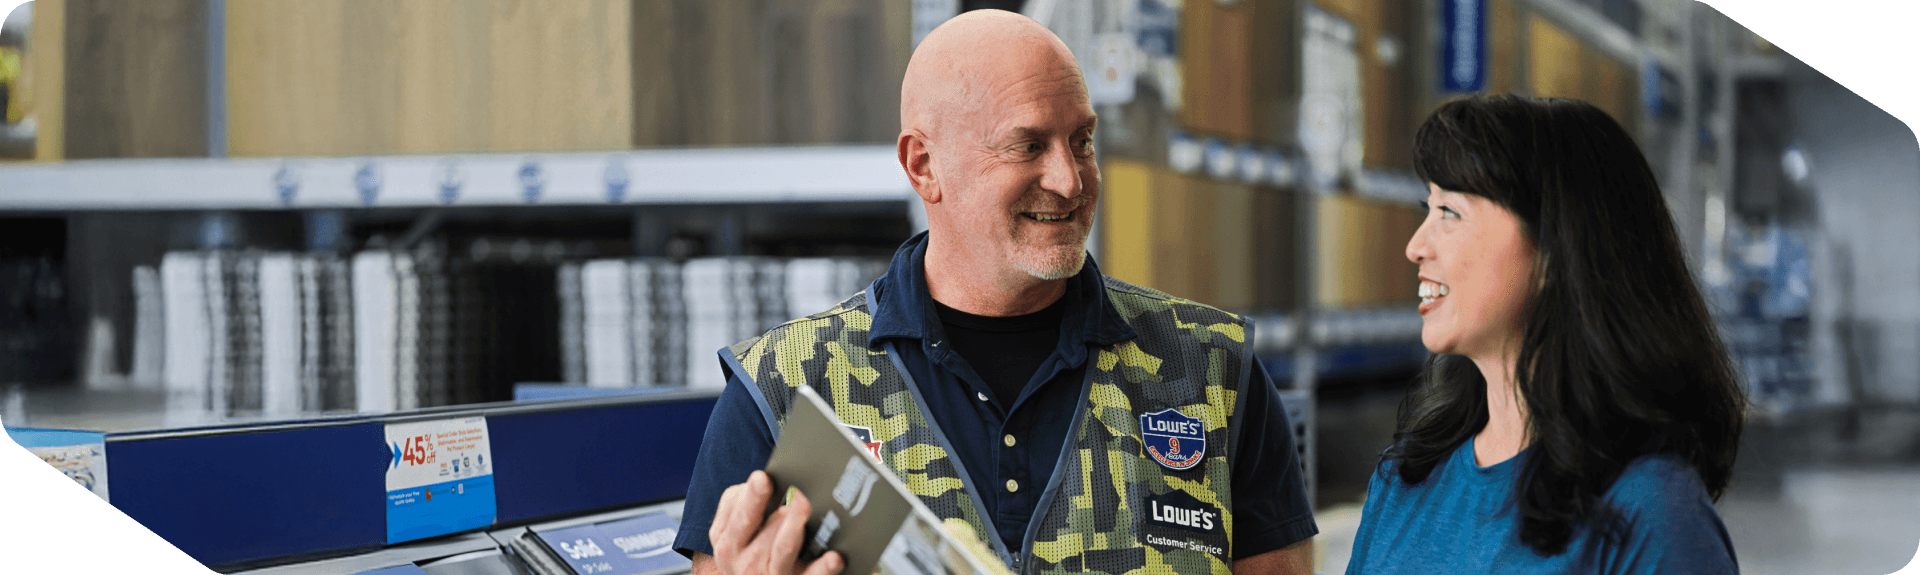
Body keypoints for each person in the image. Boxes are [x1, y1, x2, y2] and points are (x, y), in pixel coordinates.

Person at [670, 9, 1318, 575]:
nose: (1070, 180)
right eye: (1029, 145)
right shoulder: (782, 393)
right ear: (924, 166)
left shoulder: (1210, 372)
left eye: (1082, 141)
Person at [1343, 93, 1748, 574]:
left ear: (1557, 248)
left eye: (1449, 213)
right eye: (1426, 209)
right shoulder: (1405, 480)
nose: (1416, 246)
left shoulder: (1651, 515)